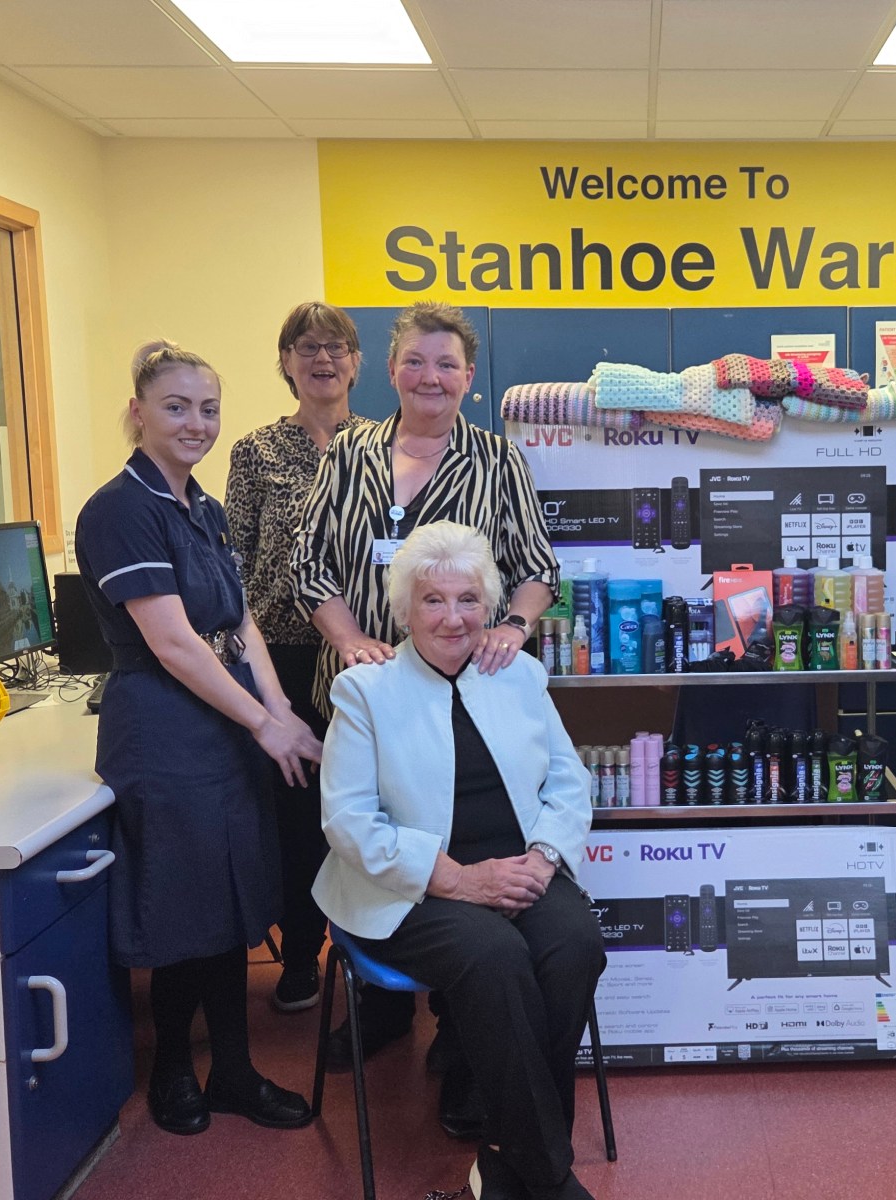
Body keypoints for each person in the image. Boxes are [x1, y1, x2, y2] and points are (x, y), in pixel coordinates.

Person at [291, 299, 560, 1125]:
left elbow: (535, 565)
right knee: (377, 836)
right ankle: (379, 1014)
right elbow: (310, 569)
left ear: (469, 379)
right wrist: (351, 643)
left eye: (447, 364)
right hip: (374, 694)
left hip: (462, 685)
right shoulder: (351, 455)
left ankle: (466, 1029)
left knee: (465, 830)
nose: (430, 377)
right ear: (393, 367)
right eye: (416, 361)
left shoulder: (495, 460)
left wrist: (513, 626)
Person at [74, 340, 324, 1136]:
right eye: (176, 406)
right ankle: (176, 1070)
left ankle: (237, 1072)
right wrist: (261, 721)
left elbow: (240, 622)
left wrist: (279, 711)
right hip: (164, 728)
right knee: (182, 904)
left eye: (208, 408)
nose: (195, 422)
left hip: (225, 722)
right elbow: (175, 643)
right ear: (138, 412)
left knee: (227, 900)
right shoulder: (120, 510)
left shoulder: (204, 508)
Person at [315, 521, 604, 1200]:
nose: (453, 618)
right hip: (408, 885)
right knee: (493, 954)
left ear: (490, 605)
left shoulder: (520, 675)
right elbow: (348, 822)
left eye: (468, 599)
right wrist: (454, 877)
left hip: (518, 864)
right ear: (404, 610)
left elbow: (569, 782)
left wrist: (545, 854)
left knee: (574, 942)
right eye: (433, 601)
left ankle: (509, 1155)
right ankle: (548, 1176)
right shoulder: (365, 693)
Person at [226, 301, 366, 1014]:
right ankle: (304, 954)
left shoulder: (383, 444)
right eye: (307, 347)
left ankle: (372, 954)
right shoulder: (255, 452)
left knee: (369, 805)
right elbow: (233, 570)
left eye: (336, 347)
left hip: (366, 660)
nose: (323, 359)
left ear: (356, 362)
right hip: (282, 657)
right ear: (285, 362)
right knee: (297, 815)